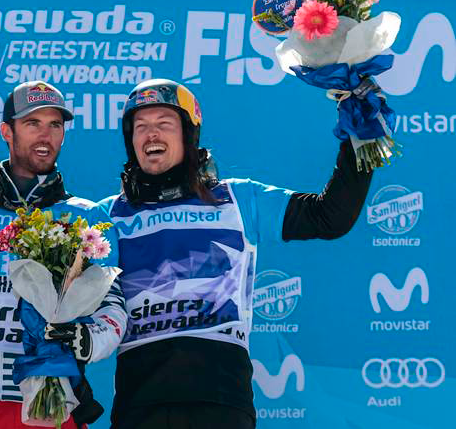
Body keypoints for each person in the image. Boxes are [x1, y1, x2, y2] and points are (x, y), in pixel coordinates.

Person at [99, 79, 372, 429]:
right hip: (140, 406)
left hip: (222, 404)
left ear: (188, 135)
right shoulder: (106, 218)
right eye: (141, 127)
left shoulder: (240, 200)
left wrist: (359, 140)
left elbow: (329, 217)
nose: (151, 135)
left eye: (164, 124)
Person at [0, 81, 127, 429]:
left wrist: (89, 341)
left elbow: (113, 305)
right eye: (32, 123)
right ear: (7, 130)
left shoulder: (85, 215)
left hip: (51, 402)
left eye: (55, 125)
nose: (45, 135)